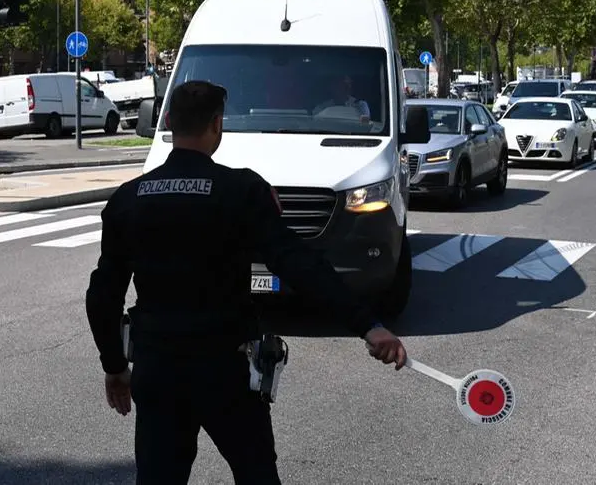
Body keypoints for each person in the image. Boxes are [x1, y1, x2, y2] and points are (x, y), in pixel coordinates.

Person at [86, 80, 408, 485]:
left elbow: (103, 294)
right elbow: (298, 265)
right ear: (217, 125)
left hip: (157, 368)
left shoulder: (128, 199)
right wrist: (368, 325)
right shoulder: (240, 191)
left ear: (168, 121)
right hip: (224, 369)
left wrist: (115, 366)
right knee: (256, 475)